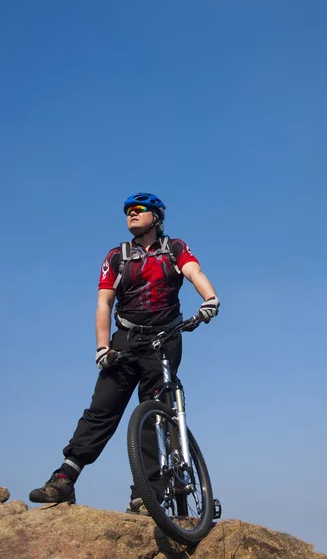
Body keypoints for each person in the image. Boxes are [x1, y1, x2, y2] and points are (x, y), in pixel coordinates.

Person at [29, 192, 220, 514]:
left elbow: (194, 273)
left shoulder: (174, 249)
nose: (131, 214)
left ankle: (146, 495)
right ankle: (65, 478)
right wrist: (102, 347)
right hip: (126, 341)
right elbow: (104, 302)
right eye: (128, 211)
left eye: (139, 210)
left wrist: (210, 298)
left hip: (165, 339)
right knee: (101, 410)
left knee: (153, 415)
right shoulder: (117, 256)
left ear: (156, 218)